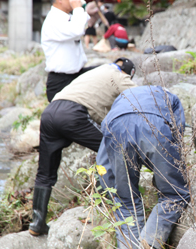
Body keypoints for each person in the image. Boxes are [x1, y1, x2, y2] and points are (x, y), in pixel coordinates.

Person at [29, 58, 137, 236]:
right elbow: (140, 99)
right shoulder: (119, 76)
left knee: (45, 172)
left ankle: (37, 223)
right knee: (112, 149)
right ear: (129, 74)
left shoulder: (96, 71)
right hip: (73, 113)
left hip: (50, 112)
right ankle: (110, 206)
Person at [96, 85, 190, 249]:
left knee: (125, 200)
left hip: (116, 128)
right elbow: (176, 140)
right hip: (154, 126)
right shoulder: (170, 98)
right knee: (175, 194)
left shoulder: (121, 100)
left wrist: (110, 190)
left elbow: (103, 160)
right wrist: (162, 171)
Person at [41, 0, 96, 102]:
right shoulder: (53, 20)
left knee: (111, 71)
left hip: (77, 76)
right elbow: (78, 30)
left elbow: (83, 24)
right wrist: (77, 8)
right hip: (61, 82)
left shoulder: (67, 17)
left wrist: (81, 7)